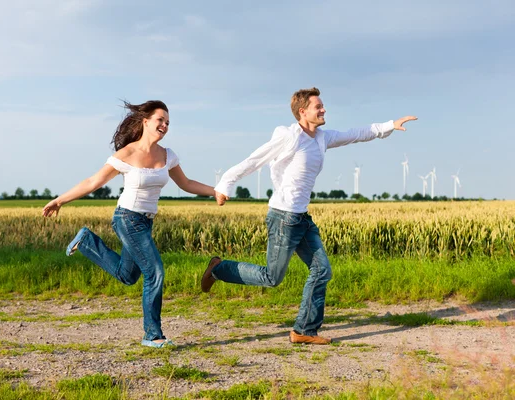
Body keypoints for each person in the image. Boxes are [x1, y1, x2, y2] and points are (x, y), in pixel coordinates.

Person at [202, 87, 417, 344]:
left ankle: (304, 330)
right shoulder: (289, 137)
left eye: (322, 106)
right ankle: (219, 268)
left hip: (301, 218)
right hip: (283, 217)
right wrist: (225, 184)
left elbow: (355, 134)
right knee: (272, 278)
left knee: (322, 270)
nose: (323, 110)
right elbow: (254, 160)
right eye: (318, 107)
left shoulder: (321, 138)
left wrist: (389, 125)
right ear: (303, 112)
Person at [43, 100, 215, 348]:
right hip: (127, 218)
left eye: (168, 122)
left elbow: (186, 184)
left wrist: (215, 191)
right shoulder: (126, 154)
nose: (165, 125)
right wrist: (60, 200)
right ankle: (152, 335)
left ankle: (87, 241)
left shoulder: (168, 155)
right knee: (154, 271)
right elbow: (93, 181)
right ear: (145, 121)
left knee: (128, 275)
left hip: (146, 222)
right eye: (160, 120)